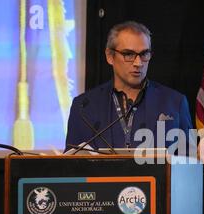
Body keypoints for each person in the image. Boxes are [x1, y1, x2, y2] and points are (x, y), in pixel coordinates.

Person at [65, 21, 193, 152]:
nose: (138, 63)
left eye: (144, 54)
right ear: (110, 56)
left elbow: (190, 162)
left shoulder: (175, 103)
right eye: (129, 54)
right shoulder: (83, 107)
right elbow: (70, 167)